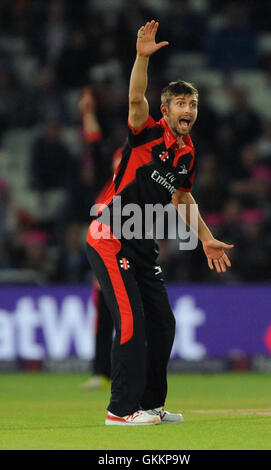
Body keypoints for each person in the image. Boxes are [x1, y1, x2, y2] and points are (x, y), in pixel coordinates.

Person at [85, 21, 234, 426]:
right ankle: (120, 410)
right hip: (109, 237)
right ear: (165, 110)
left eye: (193, 105)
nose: (188, 111)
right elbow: (135, 97)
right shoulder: (145, 133)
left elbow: (183, 198)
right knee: (131, 320)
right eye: (181, 104)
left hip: (141, 243)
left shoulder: (187, 154)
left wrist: (205, 239)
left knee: (163, 324)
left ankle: (150, 404)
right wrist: (142, 58)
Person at [78, 88, 121, 390]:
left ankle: (133, 369)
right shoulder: (108, 186)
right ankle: (100, 371)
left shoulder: (147, 172)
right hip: (106, 244)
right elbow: (94, 148)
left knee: (132, 313)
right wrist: (88, 115)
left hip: (133, 244)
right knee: (105, 309)